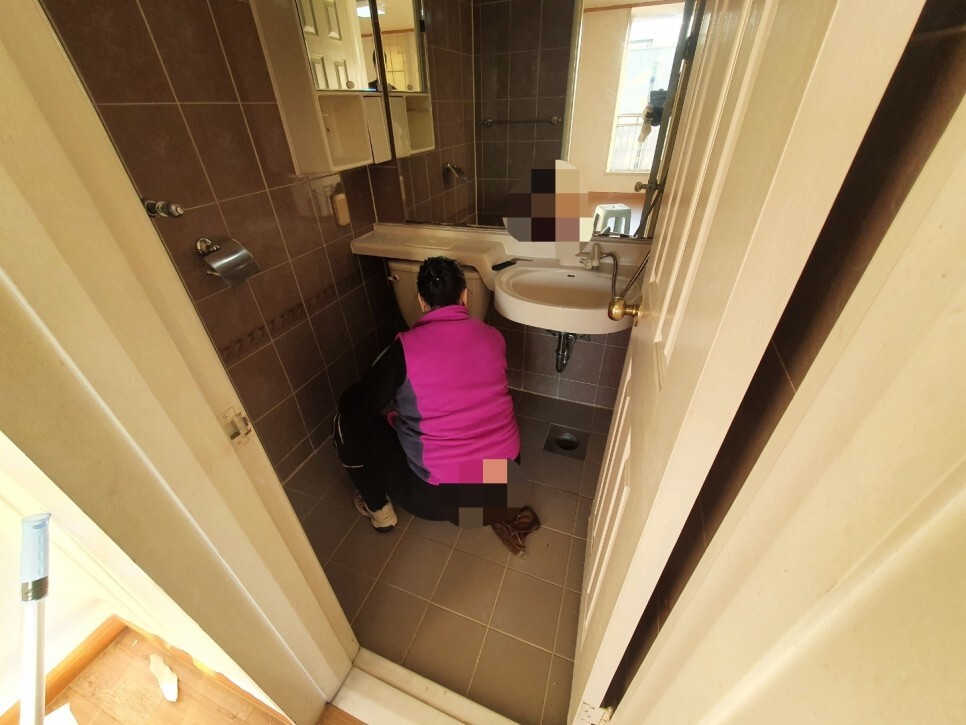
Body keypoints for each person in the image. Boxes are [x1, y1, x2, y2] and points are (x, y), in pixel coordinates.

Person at [333, 256, 521, 531]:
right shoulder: (494, 337)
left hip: (440, 502)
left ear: (422, 301)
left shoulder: (404, 350)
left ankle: (380, 513)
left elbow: (355, 406)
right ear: (465, 296)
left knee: (345, 421)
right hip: (504, 490)